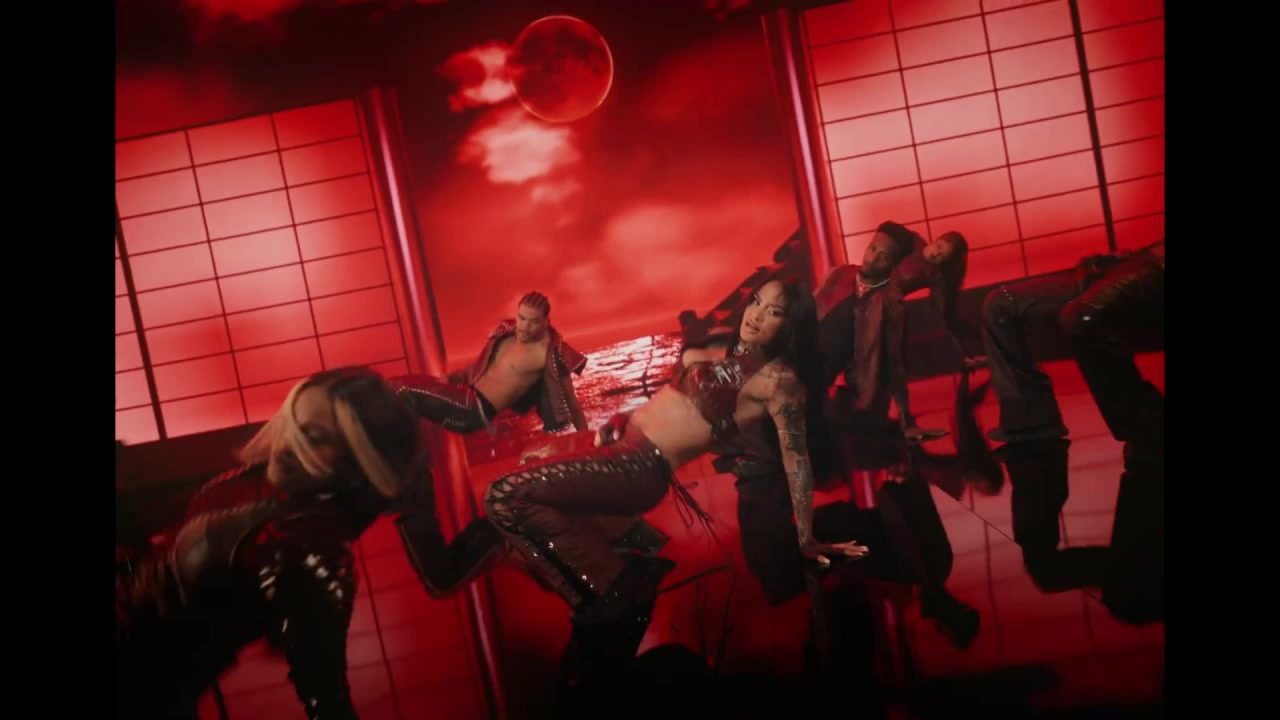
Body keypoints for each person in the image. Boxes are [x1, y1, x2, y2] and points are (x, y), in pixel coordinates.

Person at [482, 278, 865, 633]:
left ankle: (614, 587)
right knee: (527, 470)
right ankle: (618, 570)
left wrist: (806, 536)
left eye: (774, 312)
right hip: (621, 443)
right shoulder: (731, 355)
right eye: (756, 302)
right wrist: (626, 415)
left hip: (639, 464)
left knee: (503, 497)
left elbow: (796, 461)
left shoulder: (781, 381)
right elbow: (675, 403)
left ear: (790, 325)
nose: (756, 315)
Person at [116, 367, 421, 719]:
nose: (288, 445)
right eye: (292, 423)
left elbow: (327, 699)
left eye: (315, 438)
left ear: (356, 462)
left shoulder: (311, 548)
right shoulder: (272, 488)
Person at [980, 240, 1164, 445]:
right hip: (1120, 263)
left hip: (1156, 268)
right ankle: (1030, 422)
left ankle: (1146, 421)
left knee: (1083, 317)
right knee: (999, 304)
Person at [392, 291, 589, 435]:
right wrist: (451, 378)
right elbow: (479, 368)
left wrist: (587, 439)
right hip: (464, 394)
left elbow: (571, 401)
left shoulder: (550, 354)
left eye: (533, 322)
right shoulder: (508, 334)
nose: (525, 326)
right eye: (521, 318)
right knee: (397, 384)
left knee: (403, 390)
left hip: (473, 411)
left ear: (546, 321)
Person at [815, 221, 934, 442]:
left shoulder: (891, 303)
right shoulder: (841, 274)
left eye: (884, 256)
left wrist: (906, 418)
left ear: (895, 264)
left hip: (825, 383)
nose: (872, 258)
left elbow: (894, 363)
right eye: (872, 248)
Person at [892, 230, 978, 363]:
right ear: (937, 239)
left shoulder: (934, 275)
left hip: (884, 302)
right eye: (939, 247)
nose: (936, 254)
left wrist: (962, 352)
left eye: (942, 256)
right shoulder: (913, 240)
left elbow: (943, 315)